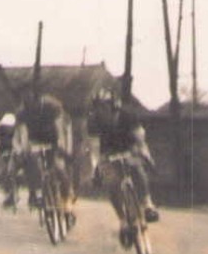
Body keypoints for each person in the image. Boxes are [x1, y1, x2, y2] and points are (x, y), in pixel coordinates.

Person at [89, 87, 160, 224]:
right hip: (108, 152)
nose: (101, 111)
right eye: (98, 107)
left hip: (129, 147)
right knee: (112, 183)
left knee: (136, 168)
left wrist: (146, 156)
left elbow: (140, 139)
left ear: (113, 105)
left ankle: (147, 204)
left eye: (104, 106)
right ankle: (122, 220)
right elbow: (94, 147)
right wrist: (94, 168)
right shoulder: (94, 121)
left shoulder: (127, 115)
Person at [18, 89, 74, 220]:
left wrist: (62, 146)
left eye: (32, 102)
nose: (30, 106)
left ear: (38, 100)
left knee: (59, 170)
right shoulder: (23, 112)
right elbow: (23, 132)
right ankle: (37, 193)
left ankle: (67, 205)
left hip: (52, 139)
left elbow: (60, 128)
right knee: (31, 163)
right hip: (35, 140)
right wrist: (25, 148)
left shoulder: (50, 107)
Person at [0, 112, 20, 209]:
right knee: (3, 170)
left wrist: (17, 151)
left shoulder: (16, 129)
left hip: (12, 149)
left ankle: (14, 192)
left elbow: (16, 142)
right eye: (6, 126)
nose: (8, 128)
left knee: (11, 171)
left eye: (10, 126)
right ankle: (7, 192)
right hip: (2, 149)